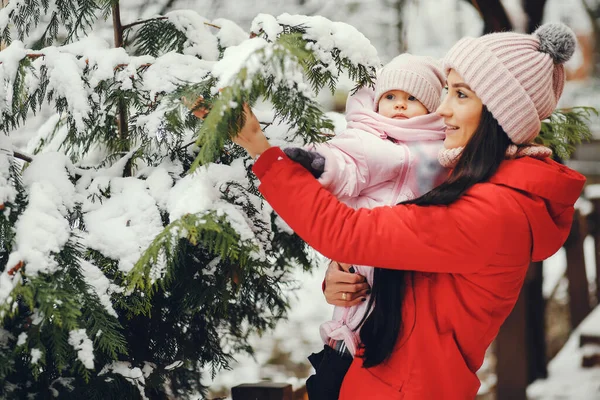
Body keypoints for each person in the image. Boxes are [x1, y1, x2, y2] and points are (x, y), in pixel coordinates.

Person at [232, 22, 586, 399]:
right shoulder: (475, 184)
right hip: (376, 370)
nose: (443, 109)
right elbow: (401, 254)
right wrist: (344, 276)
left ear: (501, 114)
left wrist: (261, 150)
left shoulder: (494, 211)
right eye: (447, 91)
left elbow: (349, 232)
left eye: (461, 95)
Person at [280, 53, 448, 400]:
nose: (399, 105)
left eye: (412, 98)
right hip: (362, 262)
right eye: (390, 97)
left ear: (431, 107)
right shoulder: (368, 138)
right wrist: (319, 164)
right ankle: (336, 362)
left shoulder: (441, 149)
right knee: (349, 324)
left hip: (409, 277)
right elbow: (348, 166)